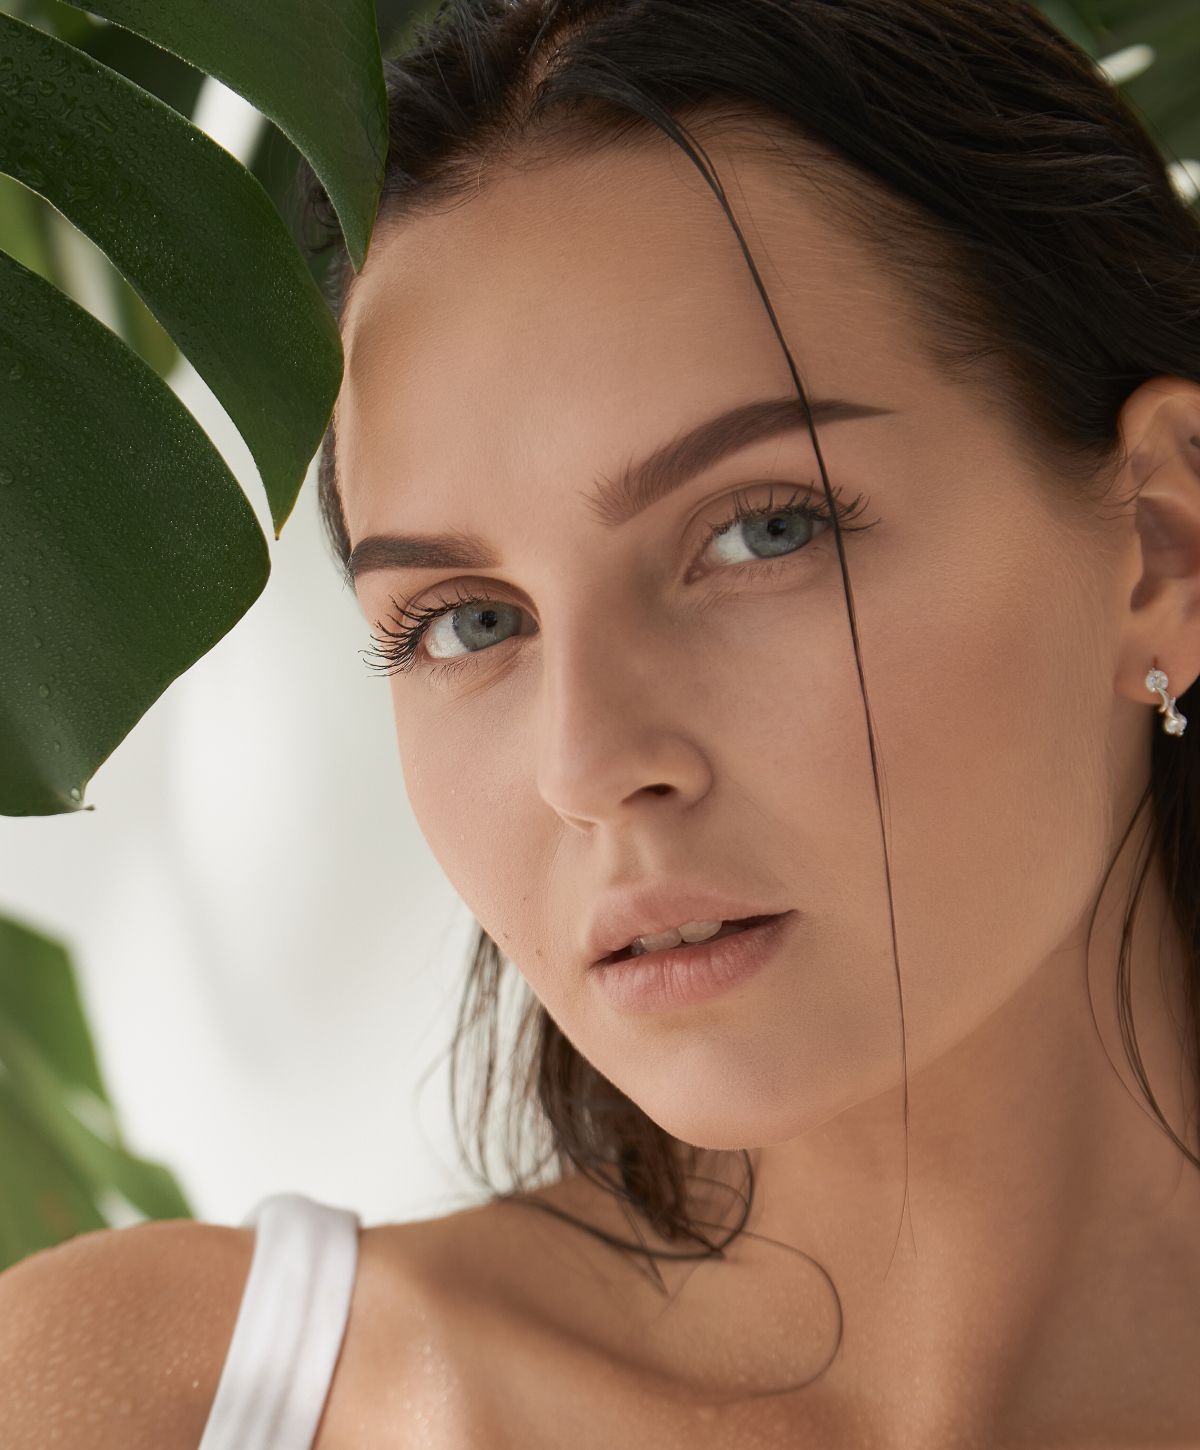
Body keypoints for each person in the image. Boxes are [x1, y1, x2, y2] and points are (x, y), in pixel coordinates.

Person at [5, 0, 1200, 1444]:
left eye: (763, 530)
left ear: (1161, 543)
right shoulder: (155, 1396)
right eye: (466, 620)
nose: (588, 764)